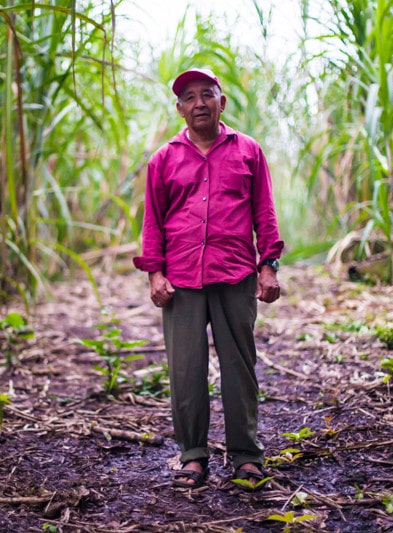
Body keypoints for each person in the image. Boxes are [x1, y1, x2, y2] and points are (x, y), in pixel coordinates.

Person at [133, 67, 283, 490]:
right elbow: (153, 222)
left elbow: (264, 213)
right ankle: (193, 456)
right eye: (190, 97)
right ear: (180, 110)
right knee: (186, 370)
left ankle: (246, 455)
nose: (199, 103)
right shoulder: (163, 159)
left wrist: (268, 265)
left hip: (234, 272)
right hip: (180, 278)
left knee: (239, 366)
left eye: (207, 94)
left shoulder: (248, 151)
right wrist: (155, 273)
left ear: (223, 102)